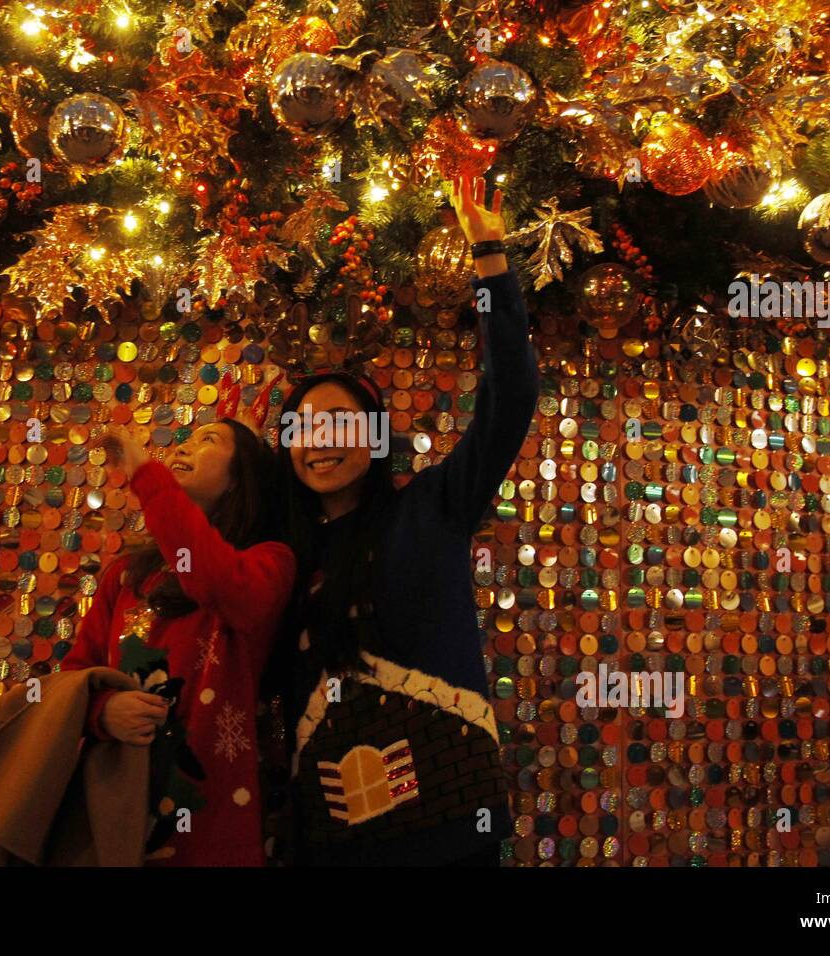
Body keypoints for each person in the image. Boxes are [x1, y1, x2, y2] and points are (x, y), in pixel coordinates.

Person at [273, 174, 539, 866]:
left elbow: (510, 396)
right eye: (303, 427)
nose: (319, 439)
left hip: (447, 832)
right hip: (327, 836)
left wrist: (489, 257)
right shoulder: (282, 551)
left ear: (376, 439)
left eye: (338, 421)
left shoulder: (431, 508)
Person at [62, 418, 295, 866]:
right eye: (186, 438)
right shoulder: (127, 574)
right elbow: (75, 678)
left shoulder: (270, 562)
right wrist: (104, 712)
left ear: (240, 478)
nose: (185, 446)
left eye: (209, 440)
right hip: (117, 816)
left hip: (215, 827)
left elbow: (217, 581)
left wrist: (148, 477)